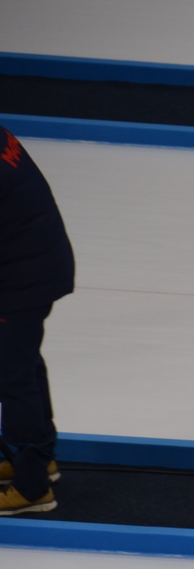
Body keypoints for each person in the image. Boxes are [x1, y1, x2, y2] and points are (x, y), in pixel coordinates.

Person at [0, 124, 74, 515]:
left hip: (21, 278)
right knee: (22, 365)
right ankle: (38, 459)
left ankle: (32, 489)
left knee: (13, 376)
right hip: (34, 266)